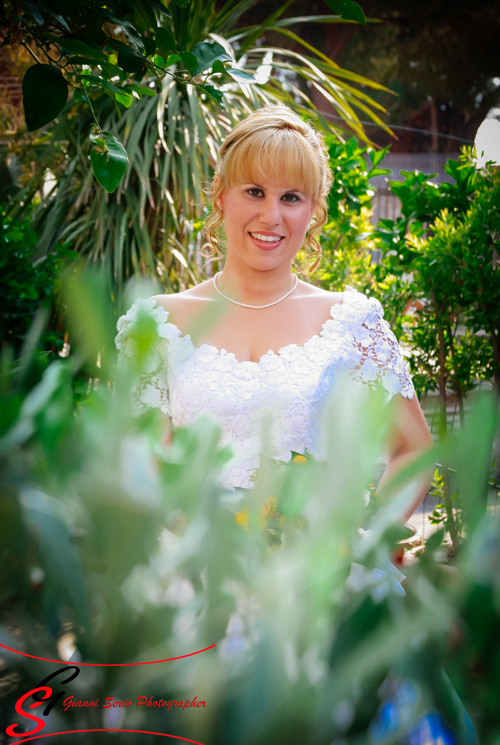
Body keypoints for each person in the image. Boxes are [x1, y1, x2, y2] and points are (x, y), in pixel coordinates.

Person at [115, 106, 433, 522]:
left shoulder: (353, 322)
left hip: (320, 578)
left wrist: (362, 538)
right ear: (220, 195)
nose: (271, 216)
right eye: (254, 191)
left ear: (313, 211)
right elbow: (144, 469)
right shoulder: (157, 325)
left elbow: (414, 450)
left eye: (291, 198)